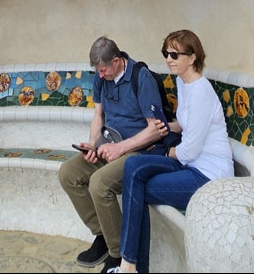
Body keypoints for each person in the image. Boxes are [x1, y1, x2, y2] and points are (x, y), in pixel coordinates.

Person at [108, 30, 234, 274]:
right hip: (190, 163)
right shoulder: (183, 82)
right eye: (166, 53)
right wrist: (165, 127)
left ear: (193, 57)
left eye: (175, 54)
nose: (168, 59)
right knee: (133, 167)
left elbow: (188, 151)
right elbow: (186, 126)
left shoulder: (200, 92)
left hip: (208, 175)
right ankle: (131, 265)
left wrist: (165, 154)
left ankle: (129, 266)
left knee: (137, 187)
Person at [58, 36, 163, 273]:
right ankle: (103, 235)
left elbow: (155, 129)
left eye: (104, 69)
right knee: (68, 173)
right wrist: (94, 145)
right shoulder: (101, 77)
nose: (101, 75)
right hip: (109, 146)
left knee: (99, 183)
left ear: (117, 61)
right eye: (98, 70)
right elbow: (98, 116)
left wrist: (121, 147)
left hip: (138, 151)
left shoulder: (141, 78)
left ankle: (118, 254)